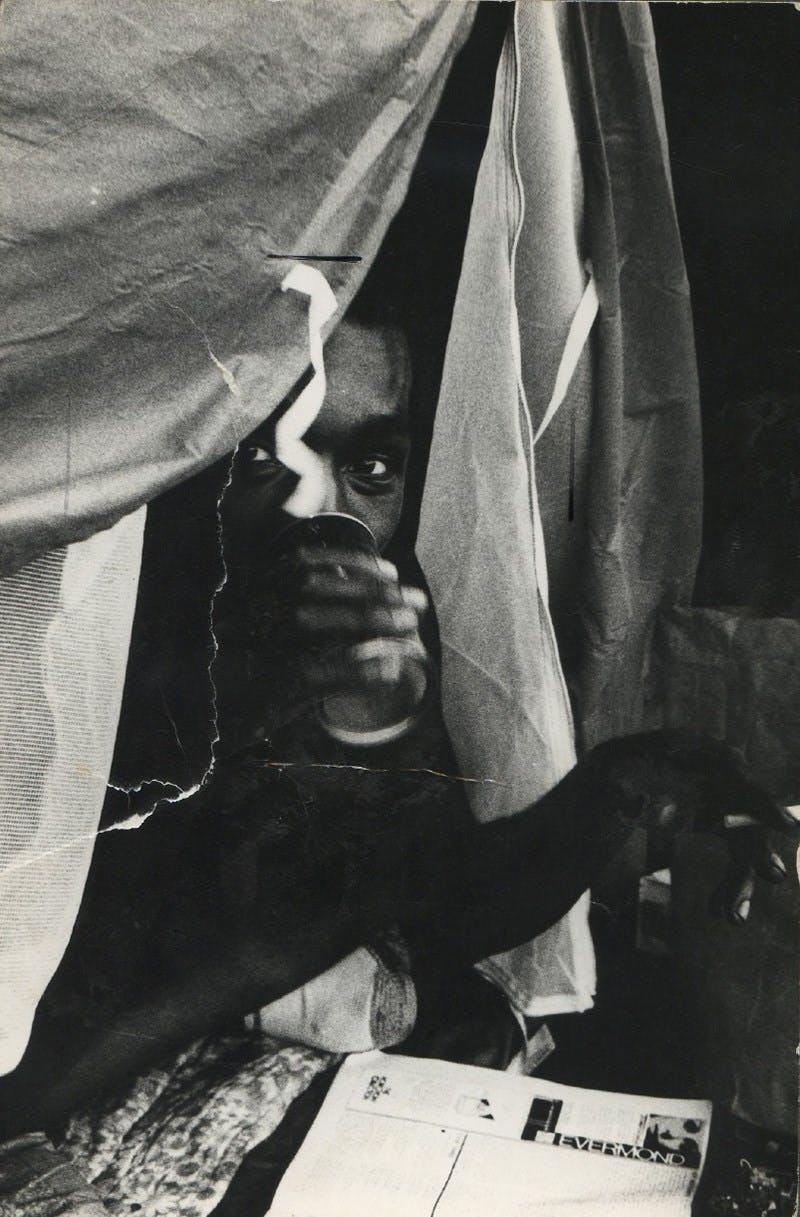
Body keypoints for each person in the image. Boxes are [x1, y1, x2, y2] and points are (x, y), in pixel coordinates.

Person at [0, 306, 794, 1140]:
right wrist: (258, 715)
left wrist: (628, 782)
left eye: (372, 464)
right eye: (262, 455)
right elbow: (37, 1062)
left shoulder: (375, 610)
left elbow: (422, 906)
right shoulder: (65, 637)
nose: (319, 506)